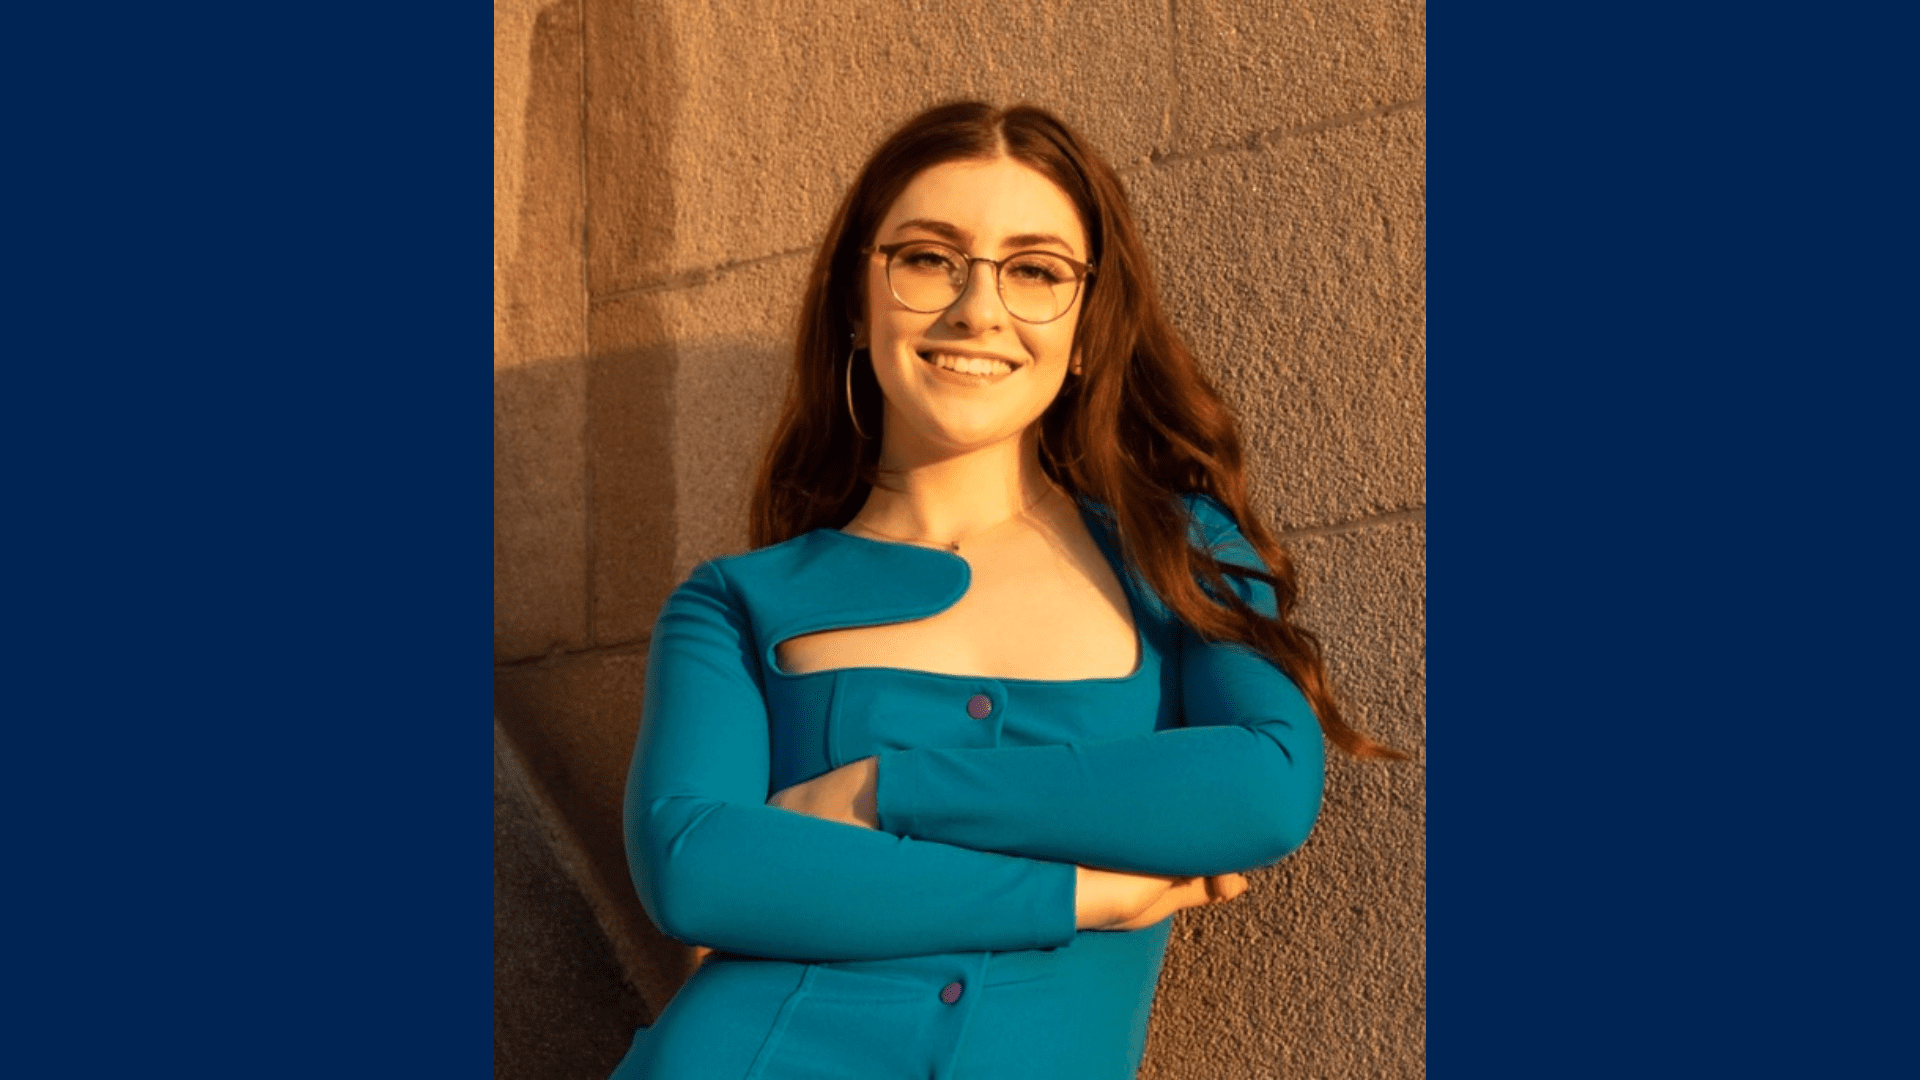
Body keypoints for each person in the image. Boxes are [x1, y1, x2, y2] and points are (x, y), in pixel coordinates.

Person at [610, 100, 1400, 1080]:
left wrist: (881, 789)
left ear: (1085, 328)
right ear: (857, 302)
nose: (977, 309)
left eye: (1034, 271)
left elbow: (1263, 790)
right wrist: (1081, 897)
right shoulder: (734, 604)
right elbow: (695, 870)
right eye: (929, 257)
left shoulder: (1181, 549)